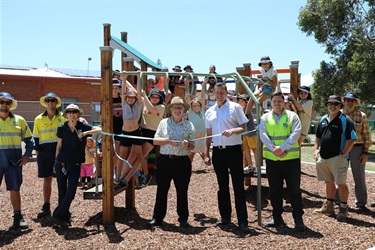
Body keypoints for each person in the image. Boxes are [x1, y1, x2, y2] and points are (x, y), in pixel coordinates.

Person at [204, 82, 251, 233]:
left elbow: (244, 127)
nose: (219, 94)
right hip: (218, 152)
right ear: (213, 93)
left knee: (238, 186)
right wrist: (206, 153)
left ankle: (243, 221)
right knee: (222, 186)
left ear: (226, 92)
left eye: (222, 92)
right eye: (217, 92)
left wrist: (233, 131)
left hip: (234, 151)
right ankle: (225, 217)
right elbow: (208, 135)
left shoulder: (235, 107)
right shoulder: (209, 111)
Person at [258, 92, 305, 232]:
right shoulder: (265, 117)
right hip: (273, 160)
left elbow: (296, 133)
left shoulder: (292, 116)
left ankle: (298, 220)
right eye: (275, 101)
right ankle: (277, 218)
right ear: (271, 102)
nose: (277, 103)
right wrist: (274, 149)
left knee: (294, 190)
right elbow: (263, 134)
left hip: (290, 159)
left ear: (284, 103)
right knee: (274, 190)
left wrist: (282, 148)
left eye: (280, 101)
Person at [149, 96, 195, 228]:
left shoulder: (189, 125)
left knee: (182, 191)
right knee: (162, 190)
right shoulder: (163, 123)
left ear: (183, 110)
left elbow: (193, 145)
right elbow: (155, 141)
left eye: (180, 107)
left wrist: (188, 145)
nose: (178, 110)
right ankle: (157, 218)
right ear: (171, 109)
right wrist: (168, 141)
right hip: (165, 161)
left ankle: (183, 219)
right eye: (175, 107)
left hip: (182, 162)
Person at [53, 104, 101, 227]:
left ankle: (57, 215)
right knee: (62, 192)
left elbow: (100, 129)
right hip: (62, 163)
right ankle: (64, 218)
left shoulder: (82, 126)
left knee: (71, 192)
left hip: (76, 164)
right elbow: (58, 146)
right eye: (69, 112)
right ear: (66, 114)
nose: (72, 114)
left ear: (78, 114)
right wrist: (56, 162)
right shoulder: (62, 128)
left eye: (74, 112)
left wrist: (85, 133)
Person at [313, 95, 357, 221]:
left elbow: (352, 138)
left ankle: (343, 208)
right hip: (323, 157)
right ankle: (329, 206)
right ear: (327, 105)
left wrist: (344, 153)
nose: (333, 106)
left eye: (336, 104)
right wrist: (316, 150)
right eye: (330, 104)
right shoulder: (323, 119)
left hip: (338, 157)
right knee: (328, 182)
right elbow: (317, 137)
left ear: (340, 106)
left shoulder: (345, 120)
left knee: (341, 184)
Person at [0, 92, 34, 229]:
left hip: (14, 159)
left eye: (7, 102)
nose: (4, 105)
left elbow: (30, 140)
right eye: (1, 102)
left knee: (14, 188)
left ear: (11, 105)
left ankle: (18, 217)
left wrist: (27, 155)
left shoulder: (19, 120)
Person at [119, 88, 165, 187]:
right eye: (153, 96)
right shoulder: (145, 101)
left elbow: (152, 109)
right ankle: (121, 177)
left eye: (157, 97)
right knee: (132, 155)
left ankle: (127, 178)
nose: (155, 98)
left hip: (152, 133)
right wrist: (124, 79)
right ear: (150, 97)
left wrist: (144, 95)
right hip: (142, 131)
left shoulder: (161, 107)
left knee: (141, 156)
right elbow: (135, 91)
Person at [33, 92, 66, 219]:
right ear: (45, 102)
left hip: (59, 150)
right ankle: (46, 205)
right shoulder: (38, 119)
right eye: (48, 100)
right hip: (45, 151)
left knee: (62, 179)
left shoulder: (63, 117)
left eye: (53, 100)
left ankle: (63, 205)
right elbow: (36, 138)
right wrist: (38, 154)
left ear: (56, 103)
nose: (50, 102)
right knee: (47, 178)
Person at [342, 92, 372, 212]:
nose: (349, 102)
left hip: (357, 149)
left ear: (355, 103)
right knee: (339, 175)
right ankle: (338, 201)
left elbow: (366, 136)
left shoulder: (362, 116)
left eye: (352, 100)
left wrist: (365, 152)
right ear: (344, 101)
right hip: (342, 149)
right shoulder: (339, 115)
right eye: (347, 100)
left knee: (359, 176)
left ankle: (361, 203)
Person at [115, 81, 144, 187]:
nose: (130, 99)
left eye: (132, 98)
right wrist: (124, 78)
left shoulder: (138, 105)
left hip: (136, 132)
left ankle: (129, 175)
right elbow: (123, 93)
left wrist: (138, 76)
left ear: (135, 99)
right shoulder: (124, 104)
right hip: (126, 132)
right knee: (121, 154)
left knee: (137, 154)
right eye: (129, 98)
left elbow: (139, 94)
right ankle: (118, 175)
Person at [237, 94, 258, 173]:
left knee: (254, 149)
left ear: (246, 102)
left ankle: (257, 166)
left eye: (242, 101)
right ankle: (250, 165)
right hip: (244, 133)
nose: (240, 102)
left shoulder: (247, 110)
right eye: (239, 101)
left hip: (250, 132)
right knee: (246, 149)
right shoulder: (240, 110)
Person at [186, 97, 206, 163]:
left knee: (205, 154)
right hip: (195, 138)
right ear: (191, 107)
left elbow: (203, 98)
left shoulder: (202, 111)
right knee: (192, 154)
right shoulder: (190, 113)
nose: (196, 107)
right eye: (194, 106)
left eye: (198, 106)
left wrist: (203, 86)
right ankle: (187, 168)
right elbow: (188, 102)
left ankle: (210, 167)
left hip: (203, 137)